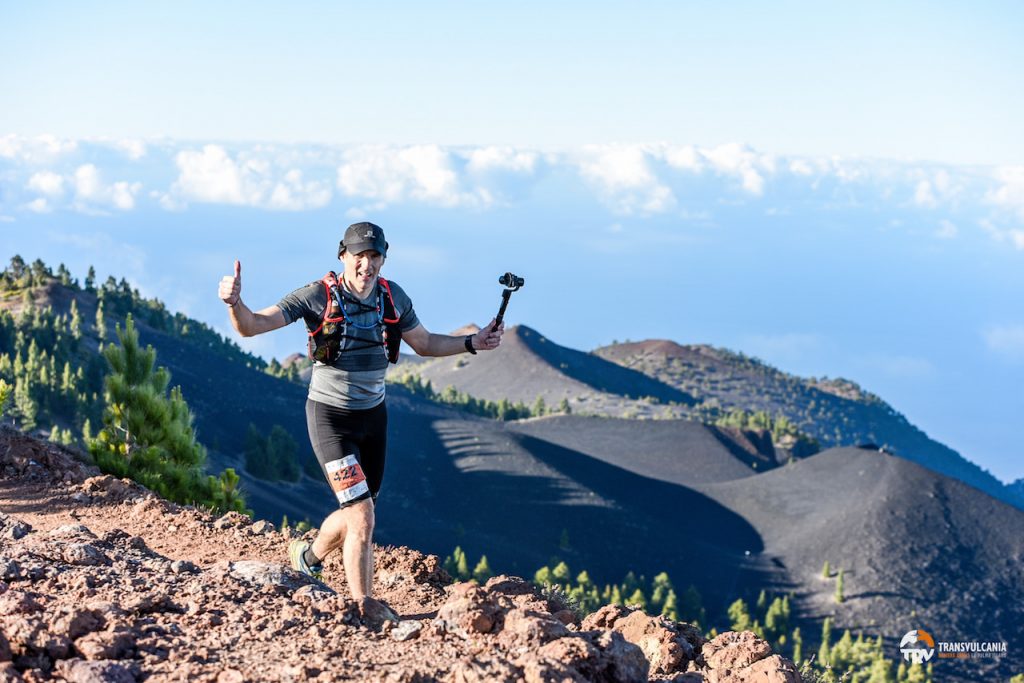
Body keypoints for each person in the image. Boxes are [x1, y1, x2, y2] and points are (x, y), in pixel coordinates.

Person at [218, 221, 504, 620]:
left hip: (373, 419)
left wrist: (472, 343)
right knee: (363, 515)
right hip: (329, 418)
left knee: (359, 509)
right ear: (343, 256)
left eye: (374, 256)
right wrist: (235, 304)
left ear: (383, 258)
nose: (366, 265)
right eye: (359, 255)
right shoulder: (317, 295)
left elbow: (424, 344)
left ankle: (309, 557)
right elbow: (253, 327)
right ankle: (362, 607)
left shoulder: (392, 297)